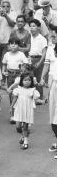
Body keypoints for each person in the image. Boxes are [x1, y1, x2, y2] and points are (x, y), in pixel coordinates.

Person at [10, 72, 40, 149]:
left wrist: (43, 101)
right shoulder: (18, 90)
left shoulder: (33, 90)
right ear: (21, 81)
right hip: (19, 110)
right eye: (25, 80)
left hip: (28, 110)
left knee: (25, 126)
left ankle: (26, 142)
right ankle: (23, 136)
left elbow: (37, 99)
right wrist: (11, 107)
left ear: (31, 81)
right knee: (18, 126)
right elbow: (15, 98)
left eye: (29, 80)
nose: (27, 81)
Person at [40, 25, 57, 159]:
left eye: (55, 34)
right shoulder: (51, 49)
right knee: (53, 116)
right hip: (53, 84)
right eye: (52, 35)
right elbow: (47, 65)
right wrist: (42, 78)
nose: (53, 37)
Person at [2, 38, 28, 123]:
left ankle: (20, 114)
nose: (13, 45)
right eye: (11, 44)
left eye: (15, 44)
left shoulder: (21, 54)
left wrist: (22, 73)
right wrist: (3, 71)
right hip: (9, 75)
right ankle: (13, 114)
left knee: (19, 94)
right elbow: (4, 64)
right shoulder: (7, 54)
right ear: (8, 45)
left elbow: (25, 64)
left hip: (18, 75)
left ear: (19, 46)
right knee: (11, 94)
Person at [29, 19, 47, 100]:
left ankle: (39, 97)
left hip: (38, 58)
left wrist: (40, 62)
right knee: (30, 77)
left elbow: (44, 52)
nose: (31, 28)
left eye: (34, 26)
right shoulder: (29, 37)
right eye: (30, 26)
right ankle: (31, 95)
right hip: (30, 58)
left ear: (39, 28)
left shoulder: (42, 39)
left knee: (38, 78)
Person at [0, 0, 16, 64]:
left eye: (7, 6)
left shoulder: (13, 14)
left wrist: (6, 16)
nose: (5, 8)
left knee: (4, 61)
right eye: (3, 6)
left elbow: (12, 24)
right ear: (1, 7)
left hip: (7, 42)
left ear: (10, 7)